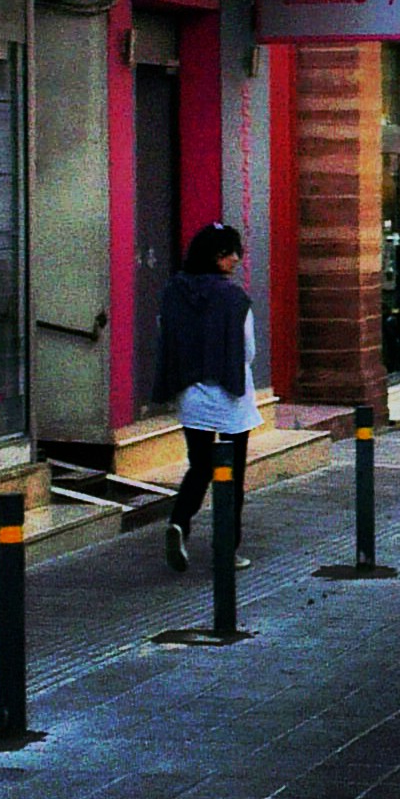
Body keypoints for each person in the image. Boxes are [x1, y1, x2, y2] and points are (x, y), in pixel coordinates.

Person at [155, 221, 261, 573]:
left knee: (200, 467)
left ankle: (179, 522)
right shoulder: (234, 298)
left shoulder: (174, 292)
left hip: (192, 394)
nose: (236, 259)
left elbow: (165, 336)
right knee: (231, 474)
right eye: (229, 253)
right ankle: (226, 548)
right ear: (214, 256)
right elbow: (248, 351)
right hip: (231, 396)